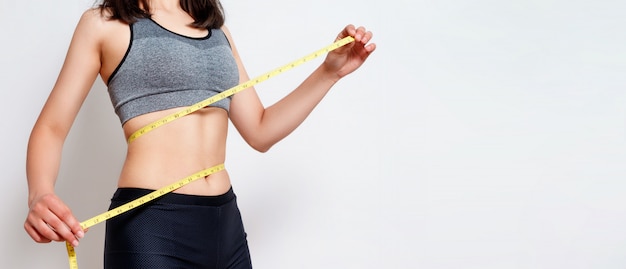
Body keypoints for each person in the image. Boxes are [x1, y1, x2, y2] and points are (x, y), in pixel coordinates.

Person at [23, 0, 376, 268]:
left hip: (225, 223)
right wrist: (40, 192)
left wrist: (329, 73)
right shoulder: (105, 23)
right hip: (152, 223)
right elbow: (52, 128)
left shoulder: (217, 31)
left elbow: (260, 130)